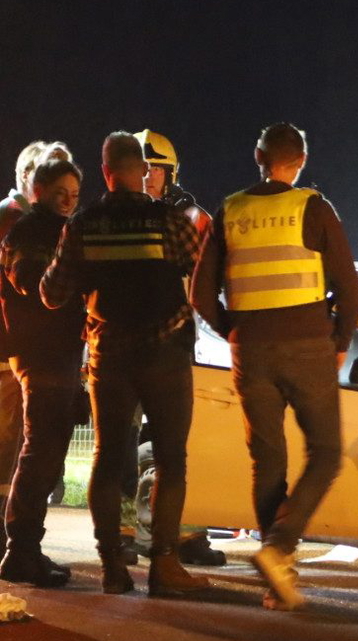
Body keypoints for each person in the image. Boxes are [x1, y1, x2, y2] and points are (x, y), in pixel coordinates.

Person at [190, 123, 358, 611]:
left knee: (268, 461)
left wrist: (235, 331)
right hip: (308, 344)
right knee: (326, 452)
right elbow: (348, 287)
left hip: (252, 349)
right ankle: (280, 548)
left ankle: (276, 580)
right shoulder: (314, 207)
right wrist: (341, 342)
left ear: (258, 156)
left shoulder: (231, 210)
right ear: (301, 160)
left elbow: (200, 294)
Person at [41, 133, 208, 597]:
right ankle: (165, 567)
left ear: (106, 172)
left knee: (108, 459)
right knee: (173, 460)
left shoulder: (83, 224)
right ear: (142, 171)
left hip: (109, 359)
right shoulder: (168, 219)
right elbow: (195, 267)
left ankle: (113, 566)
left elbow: (52, 293)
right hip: (166, 354)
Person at [126, 128, 223, 566]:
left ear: (171, 173)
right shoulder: (116, 216)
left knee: (185, 442)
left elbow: (210, 280)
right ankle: (124, 533)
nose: (147, 176)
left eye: (155, 169)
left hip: (182, 344)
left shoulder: (193, 218)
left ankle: (187, 533)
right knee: (123, 446)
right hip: (128, 345)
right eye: (140, 168)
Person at [0, 158, 84, 587]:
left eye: (74, 195)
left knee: (47, 452)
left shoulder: (58, 230)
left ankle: (26, 548)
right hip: (40, 353)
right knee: (40, 451)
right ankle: (20, 550)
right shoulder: (29, 233)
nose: (69, 202)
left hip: (60, 352)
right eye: (60, 194)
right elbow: (30, 281)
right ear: (39, 192)